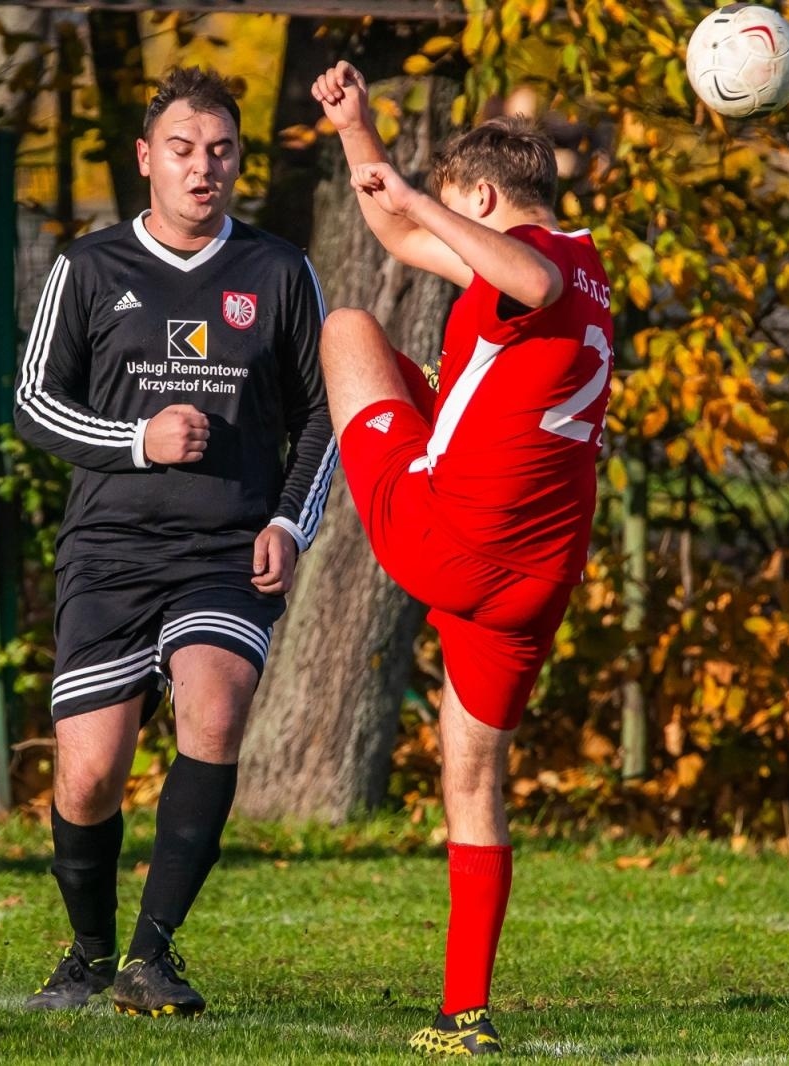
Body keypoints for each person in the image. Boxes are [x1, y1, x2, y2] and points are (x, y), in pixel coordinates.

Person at [14, 66, 335, 1018]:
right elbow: (34, 404)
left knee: (214, 715)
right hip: (108, 553)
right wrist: (137, 442)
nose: (205, 170)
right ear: (147, 160)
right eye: (185, 152)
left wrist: (288, 519)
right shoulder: (90, 267)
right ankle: (86, 955)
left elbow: (326, 412)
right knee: (87, 776)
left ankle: (152, 959)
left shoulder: (278, 272)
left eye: (222, 152)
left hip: (226, 551)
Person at [312, 62, 615, 1055]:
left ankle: (265, 454)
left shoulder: (531, 267)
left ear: (482, 200)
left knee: (350, 326)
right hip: (537, 576)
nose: (439, 230)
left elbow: (514, 275)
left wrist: (405, 192)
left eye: (456, 212)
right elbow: (405, 232)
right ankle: (462, 1014)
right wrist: (360, 134)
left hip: (450, 539)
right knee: (471, 776)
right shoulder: (586, 257)